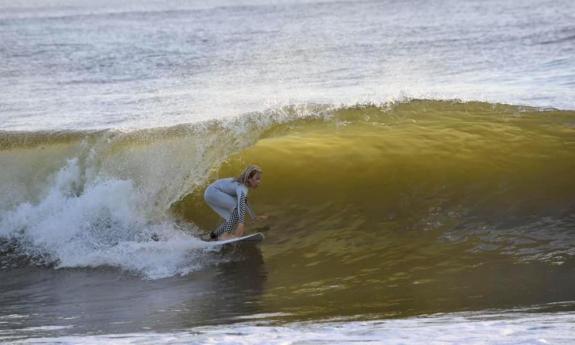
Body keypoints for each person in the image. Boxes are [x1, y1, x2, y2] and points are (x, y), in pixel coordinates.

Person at [204, 165, 265, 241]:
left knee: (231, 218)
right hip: (213, 192)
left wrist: (254, 216)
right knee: (236, 211)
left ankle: (213, 236)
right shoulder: (242, 187)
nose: (259, 181)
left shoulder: (241, 186)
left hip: (210, 193)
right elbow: (241, 204)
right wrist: (241, 224)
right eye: (257, 179)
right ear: (249, 178)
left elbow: (244, 201)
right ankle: (225, 235)